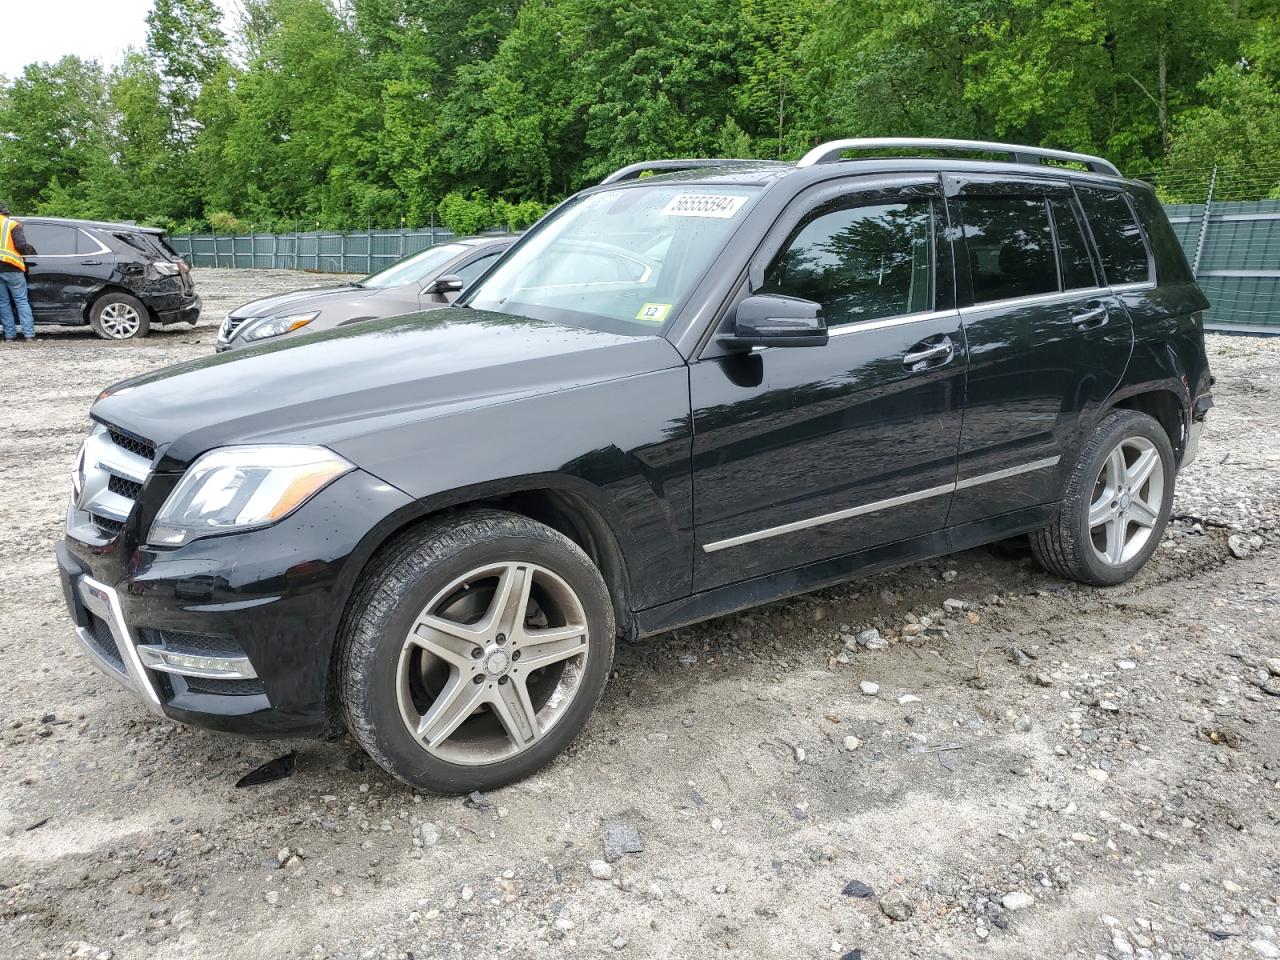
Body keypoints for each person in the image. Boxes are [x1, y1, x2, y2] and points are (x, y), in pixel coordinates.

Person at [0, 202, 37, 342]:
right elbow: (21, 246)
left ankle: (9, 336)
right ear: (5, 213)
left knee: (3, 302)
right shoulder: (11, 224)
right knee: (21, 301)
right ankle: (29, 335)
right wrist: (32, 251)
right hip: (12, 268)